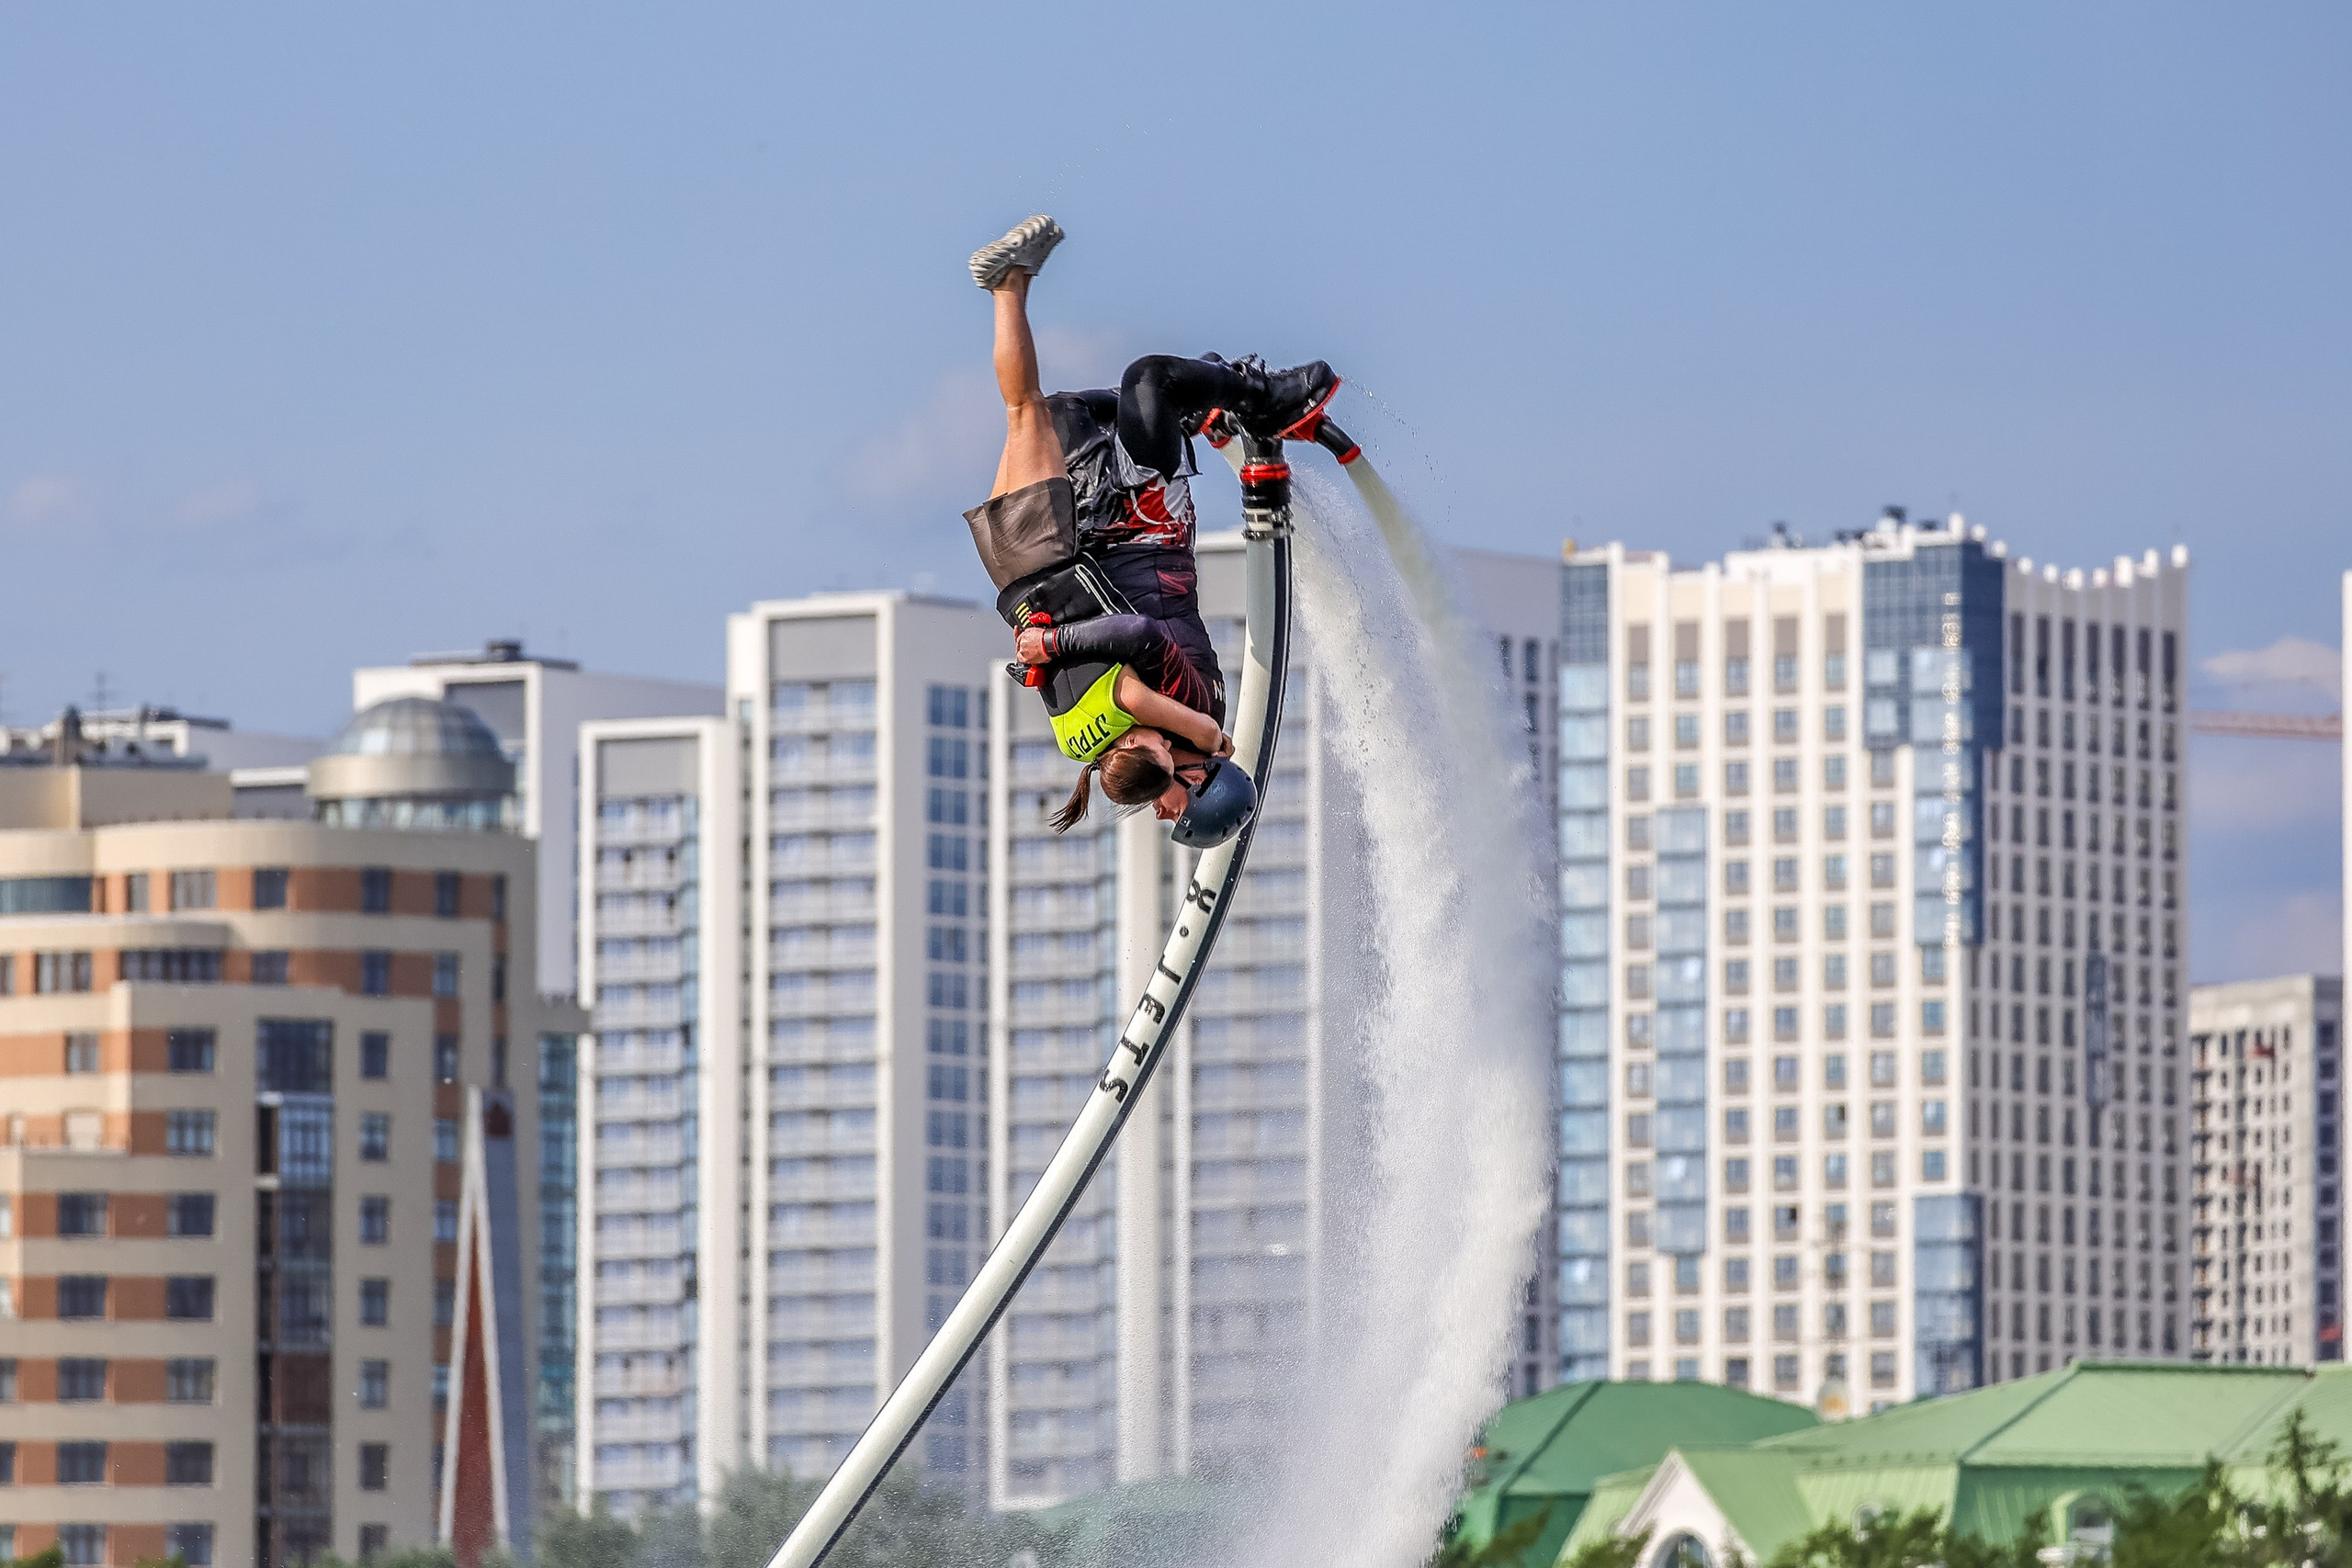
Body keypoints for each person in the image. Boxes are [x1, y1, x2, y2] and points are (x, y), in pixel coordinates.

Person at [960, 215, 1337, 836]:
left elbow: (1099, 681)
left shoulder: (1140, 739)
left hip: (1086, 538)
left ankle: (1188, 408)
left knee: (1055, 412)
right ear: (1203, 778)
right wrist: (1051, 647)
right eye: (1176, 808)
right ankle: (1256, 396)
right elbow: (1140, 634)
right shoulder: (1199, 711)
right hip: (1146, 530)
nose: (1159, 808)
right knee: (1141, 383)